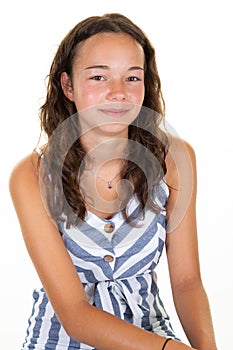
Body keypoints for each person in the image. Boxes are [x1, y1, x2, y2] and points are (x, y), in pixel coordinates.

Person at [9, 13, 217, 350]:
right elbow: (75, 315)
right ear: (68, 86)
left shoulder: (175, 159)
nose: (117, 92)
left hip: (152, 332)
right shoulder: (31, 176)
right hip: (61, 341)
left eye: (132, 78)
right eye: (99, 77)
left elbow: (187, 280)